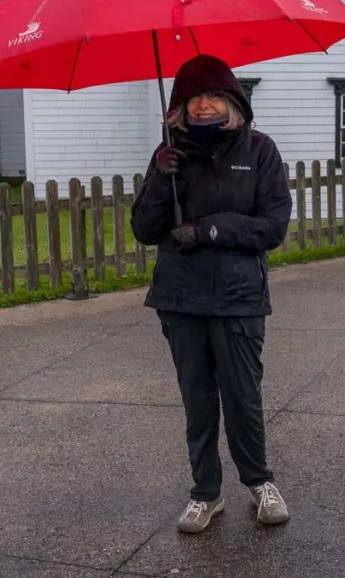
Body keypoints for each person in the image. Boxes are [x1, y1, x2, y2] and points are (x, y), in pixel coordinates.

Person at [131, 54, 293, 534]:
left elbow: (272, 225)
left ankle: (259, 482)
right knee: (197, 399)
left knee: (243, 396)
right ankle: (205, 492)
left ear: (232, 102)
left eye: (213, 97)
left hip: (239, 298)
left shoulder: (260, 150)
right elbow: (144, 229)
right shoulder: (168, 156)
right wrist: (162, 177)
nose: (203, 105)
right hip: (181, 299)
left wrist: (209, 230)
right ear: (178, 108)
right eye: (192, 98)